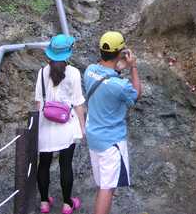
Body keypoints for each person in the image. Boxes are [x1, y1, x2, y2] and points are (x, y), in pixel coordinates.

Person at [84, 31, 142, 214]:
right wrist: (133, 67)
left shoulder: (89, 71)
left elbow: (106, 78)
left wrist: (117, 69)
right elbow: (136, 94)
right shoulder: (120, 86)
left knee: (103, 185)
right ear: (121, 53)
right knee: (107, 189)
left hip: (94, 138)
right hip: (111, 142)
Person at [35, 34, 86, 214]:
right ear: (68, 53)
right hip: (66, 125)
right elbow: (78, 103)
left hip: (45, 124)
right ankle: (66, 204)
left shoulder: (42, 72)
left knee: (44, 164)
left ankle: (44, 202)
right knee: (66, 164)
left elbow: (38, 103)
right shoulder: (73, 73)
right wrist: (82, 126)